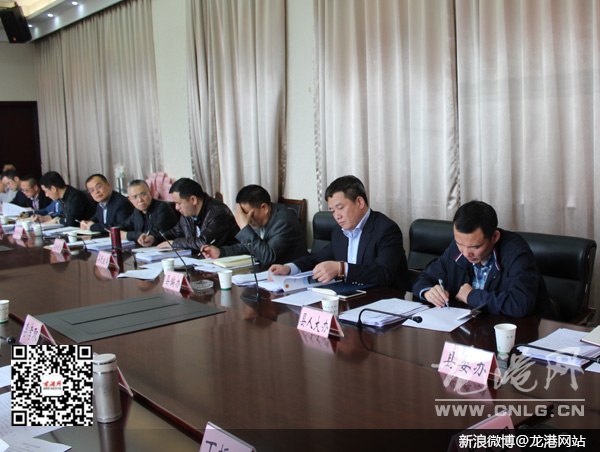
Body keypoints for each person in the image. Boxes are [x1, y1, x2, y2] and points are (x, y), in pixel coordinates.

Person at [412, 200, 550, 317]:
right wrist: (428, 291)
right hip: (471, 328)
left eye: (475, 247)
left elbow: (520, 304)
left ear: (495, 237)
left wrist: (471, 296)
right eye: (460, 243)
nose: (466, 253)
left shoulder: (516, 252)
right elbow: (425, 277)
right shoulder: (457, 248)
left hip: (513, 331)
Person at [269, 175, 410, 290]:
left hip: (384, 300)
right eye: (333, 211)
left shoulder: (386, 230)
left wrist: (342, 268)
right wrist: (289, 268)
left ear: (360, 202)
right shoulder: (339, 232)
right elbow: (318, 258)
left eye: (340, 208)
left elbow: (384, 274)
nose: (337, 216)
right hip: (350, 297)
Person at [200, 184, 308, 266]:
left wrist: (244, 227)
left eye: (248, 213)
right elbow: (248, 246)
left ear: (264, 208)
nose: (246, 219)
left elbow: (268, 257)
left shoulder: (283, 222)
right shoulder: (260, 219)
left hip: (290, 277)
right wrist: (221, 252)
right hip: (267, 274)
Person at [153, 178, 239, 251]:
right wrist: (154, 239)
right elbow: (175, 233)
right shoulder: (188, 214)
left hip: (225, 261)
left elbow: (204, 243)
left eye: (178, 203)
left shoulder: (218, 213)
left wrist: (175, 243)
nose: (176, 207)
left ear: (193, 200)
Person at [119, 180, 179, 246]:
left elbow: (152, 234)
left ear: (151, 193)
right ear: (130, 200)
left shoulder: (162, 208)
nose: (140, 200)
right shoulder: (137, 212)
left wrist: (131, 235)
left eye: (143, 194)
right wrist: (136, 235)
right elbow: (118, 231)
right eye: (134, 197)